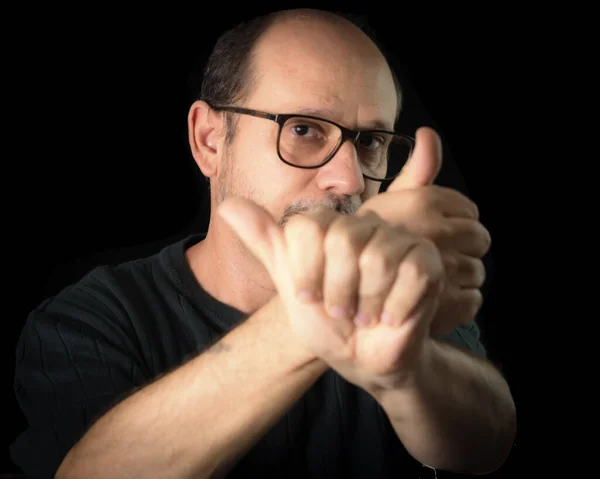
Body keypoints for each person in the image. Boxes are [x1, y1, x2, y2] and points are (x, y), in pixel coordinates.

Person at [11, 8, 516, 479]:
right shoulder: (89, 322)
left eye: (369, 143)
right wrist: (314, 322)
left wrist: (408, 371)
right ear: (209, 140)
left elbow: (487, 444)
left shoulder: (397, 279)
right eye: (303, 129)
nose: (348, 180)